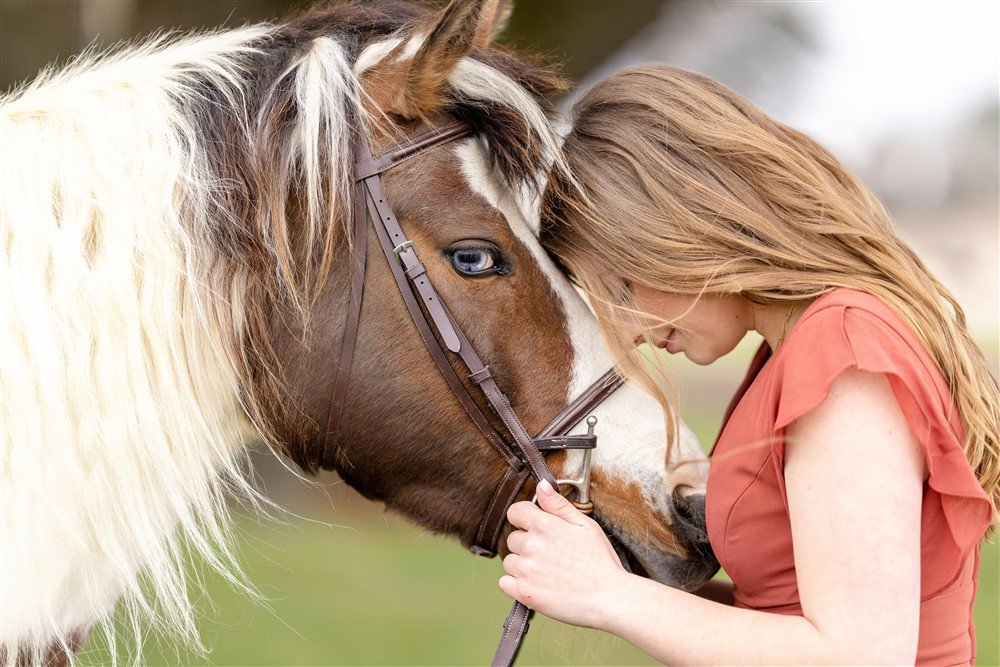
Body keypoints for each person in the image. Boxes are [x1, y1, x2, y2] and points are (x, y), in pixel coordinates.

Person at [498, 65, 997, 665]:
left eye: (623, 288)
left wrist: (612, 597)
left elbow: (860, 654)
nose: (628, 331)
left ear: (683, 232)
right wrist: (607, 574)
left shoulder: (842, 349)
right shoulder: (789, 351)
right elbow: (784, 614)